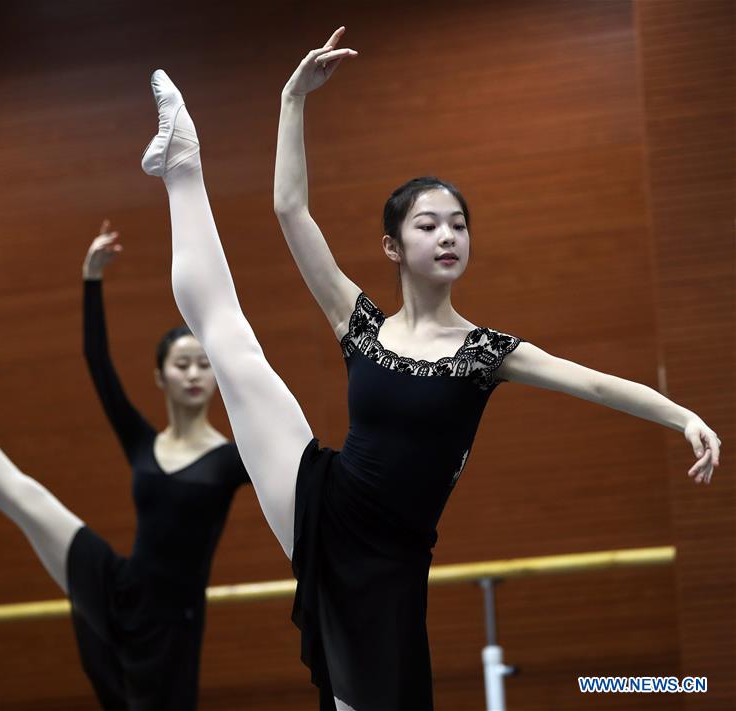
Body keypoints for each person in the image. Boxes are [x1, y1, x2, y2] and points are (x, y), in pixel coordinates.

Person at [139, 27, 722, 710]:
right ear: (391, 244)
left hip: (391, 565)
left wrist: (683, 415)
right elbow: (289, 208)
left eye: (459, 224)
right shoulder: (360, 323)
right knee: (230, 343)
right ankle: (182, 161)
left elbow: (591, 380)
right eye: (428, 224)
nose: (448, 235)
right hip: (324, 501)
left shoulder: (486, 353)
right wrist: (292, 99)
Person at [0, 222, 249, 710]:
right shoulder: (143, 444)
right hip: (120, 590)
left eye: (203, 364)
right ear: (160, 376)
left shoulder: (231, 459)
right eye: (181, 364)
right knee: (25, 496)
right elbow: (97, 364)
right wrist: (91, 281)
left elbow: (292, 480)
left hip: (172, 626)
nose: (192, 374)